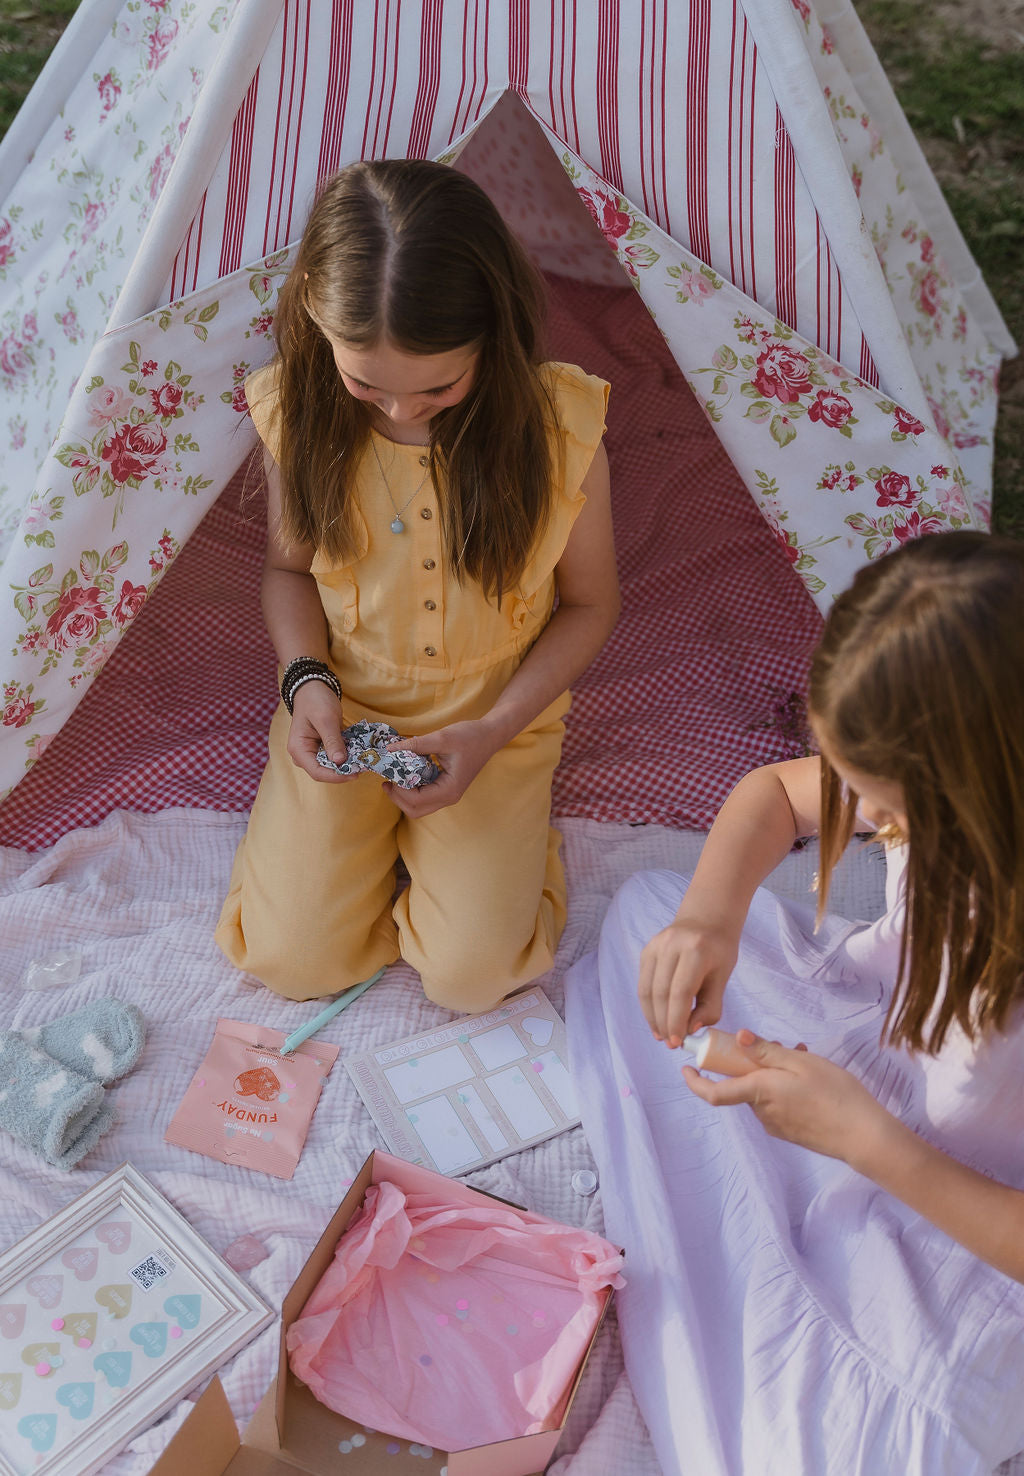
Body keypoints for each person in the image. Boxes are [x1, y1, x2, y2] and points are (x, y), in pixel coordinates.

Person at [565, 531, 1024, 1475]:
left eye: (885, 815)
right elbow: (775, 796)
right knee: (650, 919)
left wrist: (865, 1143)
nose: (865, 820)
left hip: (977, 1216)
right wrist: (711, 920)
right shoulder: (948, 767)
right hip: (870, 1037)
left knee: (863, 1450)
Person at [216, 159, 618, 1008]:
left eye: (438, 386)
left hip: (494, 716)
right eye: (367, 383)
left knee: (472, 977)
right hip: (343, 705)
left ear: (493, 336)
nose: (401, 412)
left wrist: (495, 731)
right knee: (294, 963)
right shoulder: (305, 412)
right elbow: (287, 571)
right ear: (320, 330)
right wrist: (306, 681)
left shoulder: (557, 429)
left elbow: (590, 603)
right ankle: (364, 854)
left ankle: (489, 857)